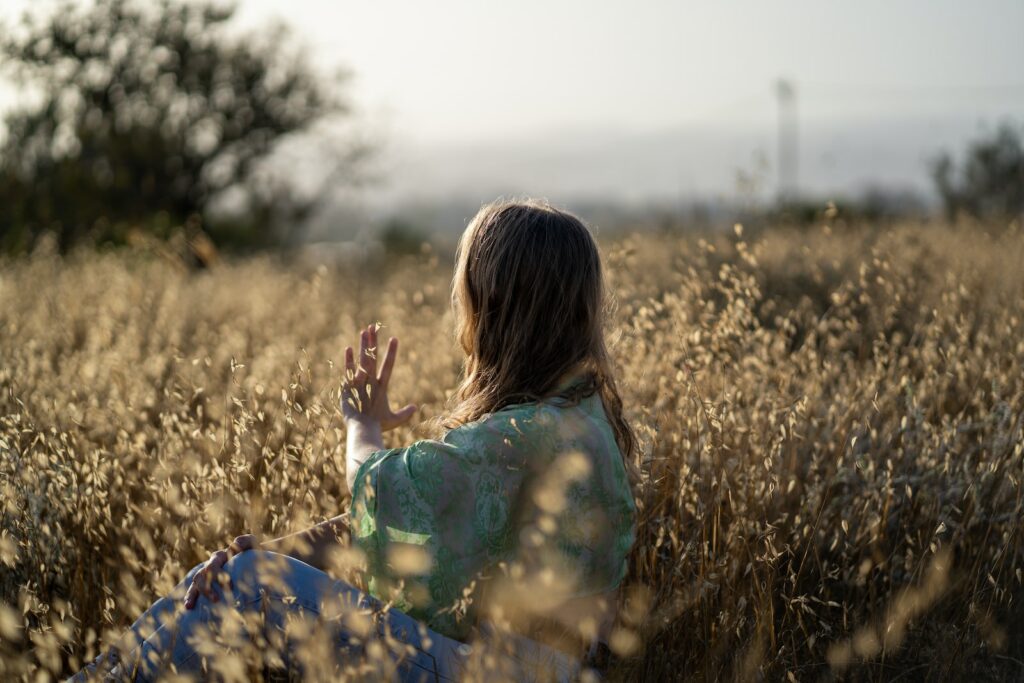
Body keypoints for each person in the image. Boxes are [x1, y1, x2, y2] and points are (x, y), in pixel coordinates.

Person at [71, 199, 637, 682]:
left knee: (241, 586)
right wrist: (274, 554)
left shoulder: (524, 437)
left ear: (493, 309)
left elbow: (376, 491)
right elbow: (386, 530)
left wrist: (361, 425)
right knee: (225, 576)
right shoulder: (577, 417)